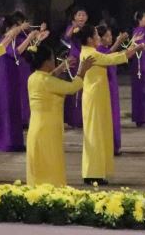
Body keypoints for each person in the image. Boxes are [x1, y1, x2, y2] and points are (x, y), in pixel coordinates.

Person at [76, 24, 141, 184]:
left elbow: (110, 56)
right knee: (95, 134)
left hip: (97, 96)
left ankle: (94, 171)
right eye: (96, 35)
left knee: (97, 133)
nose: (98, 37)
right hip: (94, 98)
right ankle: (93, 173)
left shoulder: (89, 51)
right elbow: (112, 59)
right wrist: (134, 49)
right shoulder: (91, 54)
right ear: (90, 39)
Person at [25, 42, 95, 186]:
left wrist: (61, 68)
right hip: (47, 129)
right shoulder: (47, 81)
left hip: (36, 127)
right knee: (50, 162)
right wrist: (82, 71)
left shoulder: (33, 77)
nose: (55, 61)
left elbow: (48, 78)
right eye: (52, 59)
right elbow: (72, 87)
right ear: (46, 62)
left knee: (39, 163)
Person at [0, 14, 42, 152]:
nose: (18, 29)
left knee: (16, 109)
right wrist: (28, 37)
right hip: (6, 80)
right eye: (16, 27)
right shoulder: (4, 40)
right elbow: (16, 52)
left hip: (14, 78)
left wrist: (36, 39)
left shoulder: (14, 40)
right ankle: (7, 142)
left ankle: (16, 142)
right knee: (8, 109)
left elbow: (26, 51)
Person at [95, 25, 125, 155]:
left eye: (110, 35)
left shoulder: (106, 50)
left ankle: (115, 145)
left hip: (113, 86)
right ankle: (109, 145)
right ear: (100, 38)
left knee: (114, 116)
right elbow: (106, 58)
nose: (110, 38)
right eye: (106, 36)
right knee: (109, 117)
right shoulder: (98, 51)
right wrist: (118, 42)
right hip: (105, 87)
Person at [62, 6, 89, 129]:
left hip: (86, 58)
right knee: (75, 89)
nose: (81, 17)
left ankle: (84, 117)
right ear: (74, 17)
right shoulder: (71, 27)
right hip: (75, 60)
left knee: (85, 89)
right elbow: (66, 38)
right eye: (79, 15)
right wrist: (73, 27)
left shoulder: (89, 29)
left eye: (83, 15)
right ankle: (74, 118)